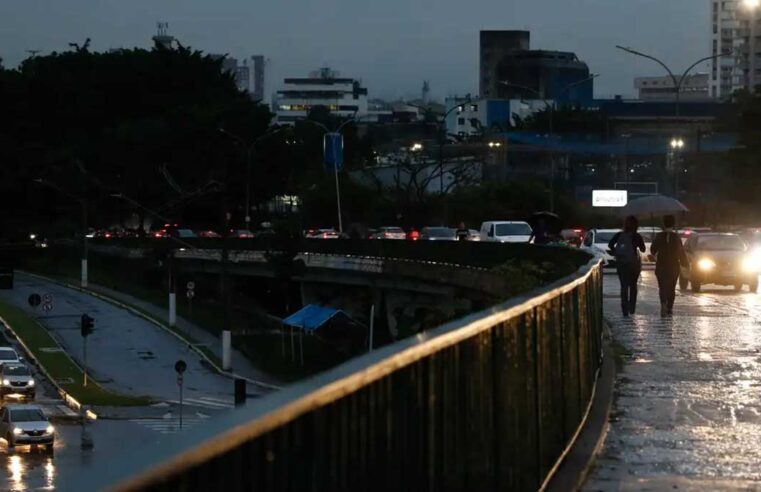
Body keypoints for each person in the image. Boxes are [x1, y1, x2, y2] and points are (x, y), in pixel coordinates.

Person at [608, 216, 646, 317]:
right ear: (636, 225)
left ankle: (624, 309)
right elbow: (643, 249)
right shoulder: (637, 236)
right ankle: (632, 307)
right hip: (634, 265)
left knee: (624, 286)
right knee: (633, 285)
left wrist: (616, 251)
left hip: (621, 263)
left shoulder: (619, 235)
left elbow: (610, 244)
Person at [650, 215, 688, 316]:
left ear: (663, 223)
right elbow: (681, 252)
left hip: (661, 265)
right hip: (673, 266)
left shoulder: (659, 236)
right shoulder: (676, 237)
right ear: (673, 224)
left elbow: (653, 250)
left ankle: (663, 303)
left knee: (662, 287)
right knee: (671, 288)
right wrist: (685, 264)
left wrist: (654, 251)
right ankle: (670, 307)